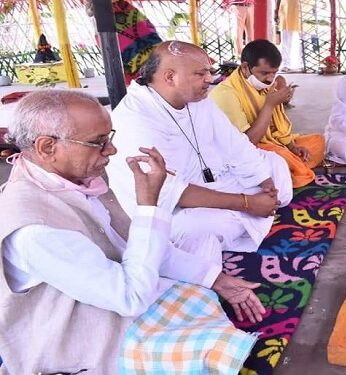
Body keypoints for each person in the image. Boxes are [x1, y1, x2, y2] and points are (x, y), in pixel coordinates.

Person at [0, 90, 266, 374]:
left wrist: (218, 280)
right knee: (211, 345)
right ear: (47, 147)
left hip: (110, 291)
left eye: (109, 138)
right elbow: (130, 296)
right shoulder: (35, 227)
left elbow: (126, 243)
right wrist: (149, 206)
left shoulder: (72, 178)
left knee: (201, 286)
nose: (111, 151)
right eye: (98, 143)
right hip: (75, 334)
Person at [107, 40, 293, 256]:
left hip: (216, 178)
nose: (210, 79)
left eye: (209, 72)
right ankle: (256, 214)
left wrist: (265, 182)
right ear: (170, 77)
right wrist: (247, 203)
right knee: (202, 227)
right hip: (175, 206)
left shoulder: (198, 100)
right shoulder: (135, 118)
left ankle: (259, 210)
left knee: (276, 164)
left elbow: (235, 144)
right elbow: (166, 191)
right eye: (200, 73)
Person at [210, 39, 324, 188]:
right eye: (264, 73)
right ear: (245, 67)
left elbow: (277, 128)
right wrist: (270, 105)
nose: (270, 79)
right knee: (281, 159)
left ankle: (285, 171)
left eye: (274, 73)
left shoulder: (264, 85)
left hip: (272, 144)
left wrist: (292, 147)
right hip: (245, 151)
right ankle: (286, 171)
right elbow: (247, 143)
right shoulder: (226, 93)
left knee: (317, 141)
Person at [275, 0, 303, 71]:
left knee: (303, 39)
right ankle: (285, 64)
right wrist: (276, 10)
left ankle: (302, 64)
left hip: (303, 8)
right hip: (286, 8)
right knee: (286, 40)